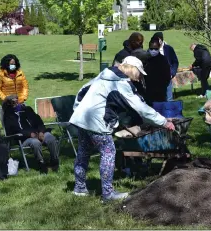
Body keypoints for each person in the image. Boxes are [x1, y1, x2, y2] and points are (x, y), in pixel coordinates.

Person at [70, 56, 175, 202]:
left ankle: (79, 188)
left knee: (83, 151)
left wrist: (78, 109)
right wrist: (164, 122)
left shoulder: (104, 75)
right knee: (108, 152)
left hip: (81, 119)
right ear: (133, 69)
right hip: (97, 122)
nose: (138, 78)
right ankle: (108, 194)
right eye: (139, 73)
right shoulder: (120, 83)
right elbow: (141, 109)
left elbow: (82, 90)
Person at [2, 95, 59, 174]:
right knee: (35, 142)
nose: (16, 103)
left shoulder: (27, 109)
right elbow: (12, 130)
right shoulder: (8, 115)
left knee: (50, 138)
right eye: (13, 102)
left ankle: (54, 161)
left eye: (17, 100)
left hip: (38, 133)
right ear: (9, 104)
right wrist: (29, 134)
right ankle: (41, 164)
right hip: (24, 138)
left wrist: (41, 132)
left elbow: (39, 122)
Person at [151, 32, 179, 101]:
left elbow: (175, 62)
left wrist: (172, 73)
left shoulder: (169, 49)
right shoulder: (152, 49)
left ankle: (169, 110)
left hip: (167, 76)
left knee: (169, 98)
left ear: (160, 40)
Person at [144, 38, 171, 103]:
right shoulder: (146, 59)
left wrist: (163, 86)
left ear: (159, 48)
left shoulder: (163, 59)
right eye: (151, 48)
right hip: (148, 89)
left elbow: (167, 75)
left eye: (156, 49)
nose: (153, 50)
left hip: (160, 90)